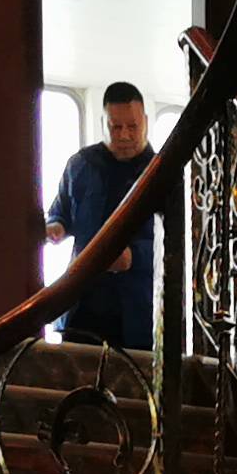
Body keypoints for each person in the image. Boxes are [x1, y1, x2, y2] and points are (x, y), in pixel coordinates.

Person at [43, 83, 158, 350]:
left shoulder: (162, 174)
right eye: (116, 127)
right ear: (103, 123)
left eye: (133, 126)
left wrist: (134, 256)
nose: (125, 135)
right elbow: (60, 211)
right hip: (81, 307)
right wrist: (56, 226)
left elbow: (179, 246)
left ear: (146, 121)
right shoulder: (80, 164)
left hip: (138, 314)